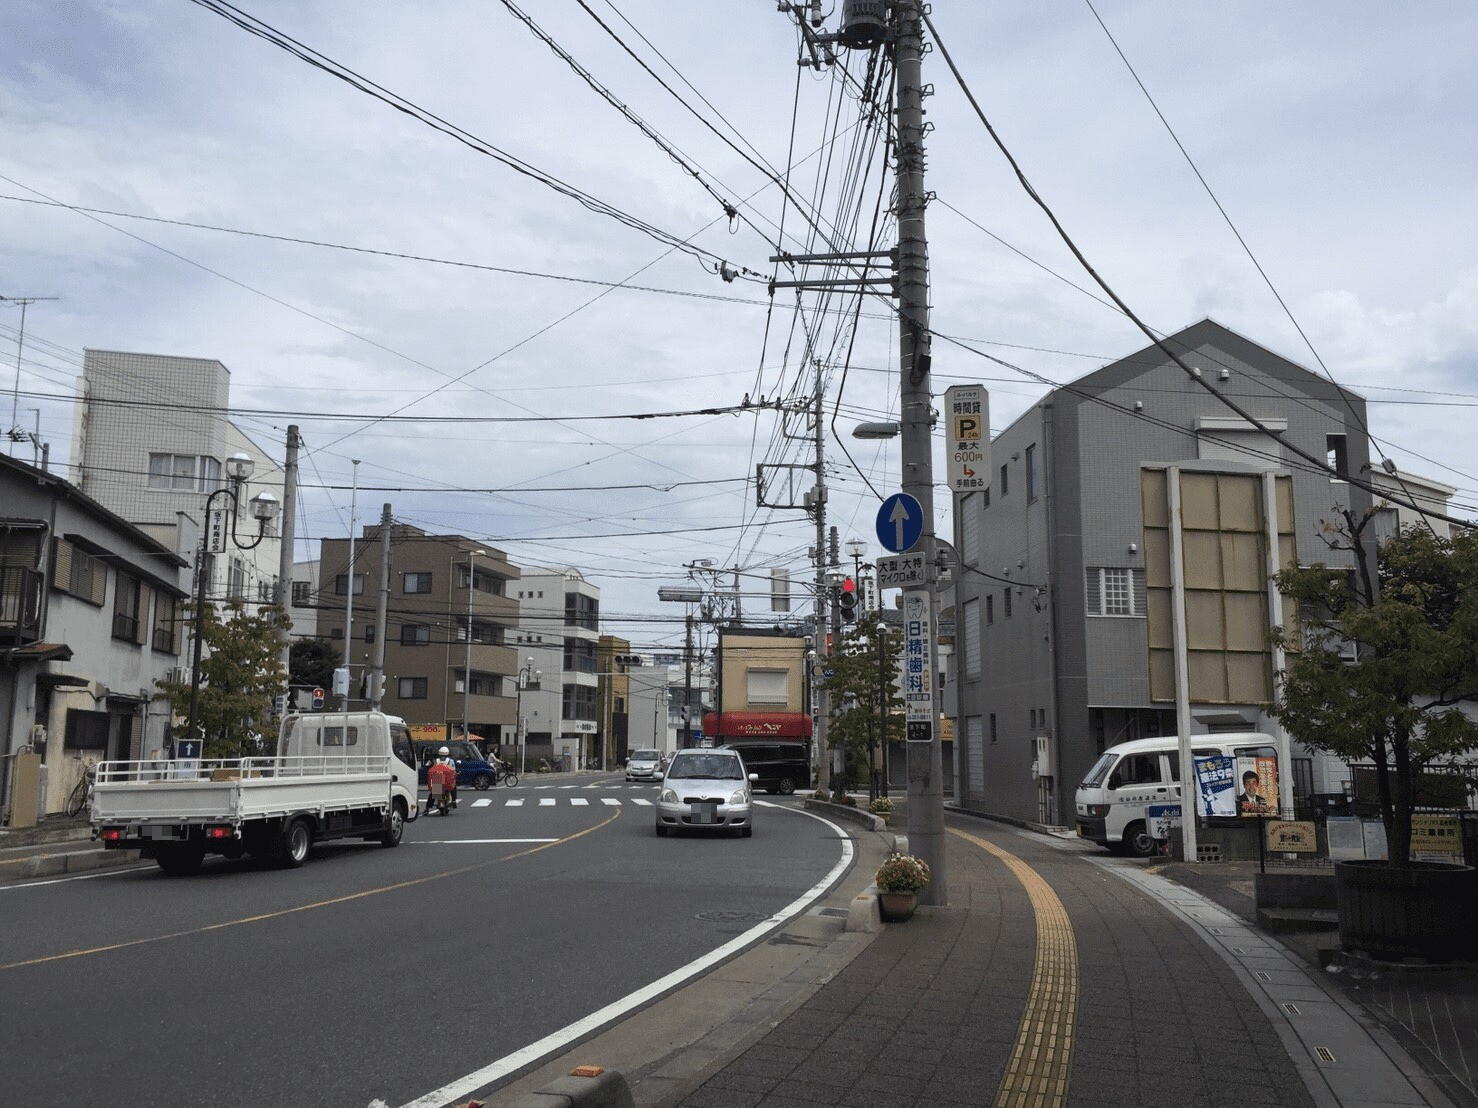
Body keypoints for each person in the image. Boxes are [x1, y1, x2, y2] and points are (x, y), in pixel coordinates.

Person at [427, 745, 457, 814]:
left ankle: (427, 808)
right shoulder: (450, 761)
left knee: (433, 793)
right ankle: (454, 801)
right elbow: (453, 770)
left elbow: (433, 769)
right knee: (453, 787)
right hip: (447, 780)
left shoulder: (436, 761)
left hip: (438, 779)